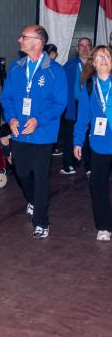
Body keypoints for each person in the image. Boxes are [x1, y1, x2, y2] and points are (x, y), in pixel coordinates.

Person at [1, 25, 67, 238]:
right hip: (19, 131)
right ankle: (33, 200)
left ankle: (41, 221)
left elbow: (59, 103)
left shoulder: (55, 71)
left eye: (24, 37)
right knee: (20, 171)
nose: (19, 40)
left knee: (40, 176)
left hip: (43, 133)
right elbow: (7, 97)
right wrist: (11, 117)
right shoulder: (16, 67)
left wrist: (39, 120)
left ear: (37, 42)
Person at [74, 46, 112, 241]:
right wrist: (77, 142)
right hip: (100, 144)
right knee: (97, 184)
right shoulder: (89, 88)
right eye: (99, 57)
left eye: (107, 55)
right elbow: (82, 119)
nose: (103, 59)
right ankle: (104, 226)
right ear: (93, 64)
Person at [61, 37, 93, 175]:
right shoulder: (69, 66)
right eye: (81, 45)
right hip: (73, 106)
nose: (85, 48)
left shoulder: (97, 66)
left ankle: (90, 166)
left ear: (91, 48)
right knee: (69, 136)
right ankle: (69, 165)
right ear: (77, 48)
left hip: (92, 107)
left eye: (88, 45)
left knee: (90, 136)